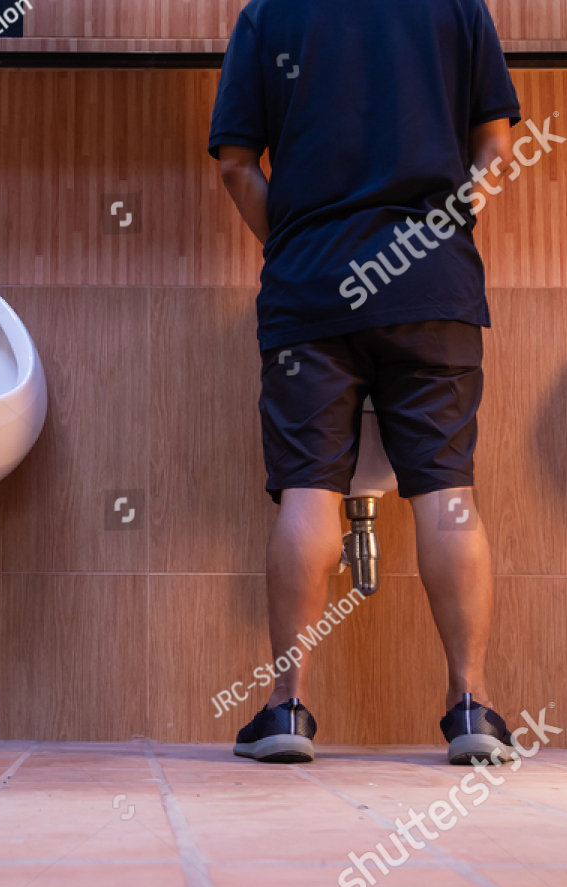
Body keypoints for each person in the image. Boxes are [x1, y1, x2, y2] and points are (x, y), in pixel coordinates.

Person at [210, 0, 522, 766]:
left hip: (310, 288)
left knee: (309, 490)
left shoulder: (269, 16)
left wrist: (290, 246)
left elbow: (234, 163)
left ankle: (286, 709)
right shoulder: (456, 8)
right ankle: (471, 704)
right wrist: (445, 231)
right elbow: (496, 145)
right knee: (447, 492)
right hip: (432, 288)